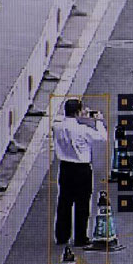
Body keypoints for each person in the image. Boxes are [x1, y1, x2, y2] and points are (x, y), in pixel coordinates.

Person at [53, 98, 106, 246]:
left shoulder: (57, 127)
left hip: (65, 167)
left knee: (64, 202)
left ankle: (62, 235)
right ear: (77, 112)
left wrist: (81, 115)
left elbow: (58, 119)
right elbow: (101, 138)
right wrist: (98, 121)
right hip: (81, 169)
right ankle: (80, 237)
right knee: (82, 204)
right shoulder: (83, 130)